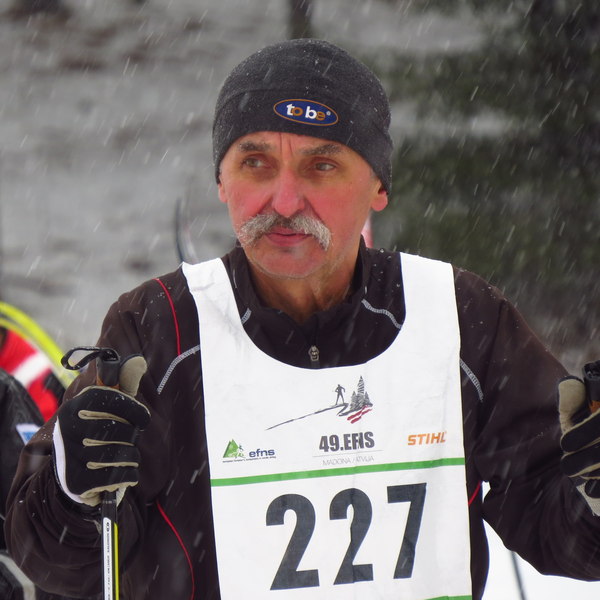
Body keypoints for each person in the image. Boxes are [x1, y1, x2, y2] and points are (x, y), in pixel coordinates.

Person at [4, 38, 600, 600]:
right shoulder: (163, 328)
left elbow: (559, 525)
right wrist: (71, 493)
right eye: (256, 163)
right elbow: (58, 562)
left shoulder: (458, 316)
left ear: (378, 187)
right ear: (221, 181)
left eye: (321, 166)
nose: (285, 202)